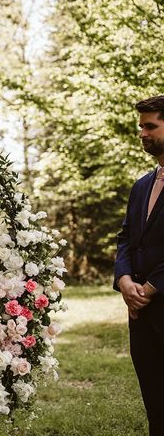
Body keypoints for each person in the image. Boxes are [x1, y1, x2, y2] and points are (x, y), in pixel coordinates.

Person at [115, 95, 164, 435]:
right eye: (140, 127)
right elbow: (127, 238)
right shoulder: (142, 185)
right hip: (141, 316)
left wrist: (150, 287)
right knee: (155, 403)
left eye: (151, 126)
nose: (142, 133)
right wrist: (124, 280)